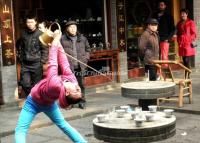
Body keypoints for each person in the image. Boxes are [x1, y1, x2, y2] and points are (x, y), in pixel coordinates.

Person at [15, 30, 87, 143]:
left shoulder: (54, 85)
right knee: (64, 125)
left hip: (33, 102)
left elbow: (53, 63)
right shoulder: (73, 82)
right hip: (47, 103)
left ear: (67, 92)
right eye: (79, 91)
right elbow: (64, 63)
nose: (78, 88)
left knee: (20, 129)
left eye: (76, 91)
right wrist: (57, 44)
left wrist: (55, 42)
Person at [16, 14, 48, 97]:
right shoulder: (23, 33)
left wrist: (42, 62)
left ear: (35, 23)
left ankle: (35, 101)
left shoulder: (41, 34)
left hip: (36, 63)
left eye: (31, 22)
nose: (29, 24)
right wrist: (20, 56)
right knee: (24, 83)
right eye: (28, 22)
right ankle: (32, 97)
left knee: (36, 85)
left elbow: (45, 49)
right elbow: (20, 45)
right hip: (25, 64)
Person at [61, 20, 91, 109]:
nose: (73, 29)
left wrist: (86, 59)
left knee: (81, 84)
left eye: (74, 27)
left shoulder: (82, 38)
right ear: (67, 29)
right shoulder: (62, 39)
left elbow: (88, 50)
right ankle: (70, 102)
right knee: (69, 86)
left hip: (80, 66)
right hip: (68, 67)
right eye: (71, 27)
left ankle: (82, 101)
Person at [176, 8, 197, 78]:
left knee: (186, 60)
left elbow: (194, 33)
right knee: (184, 60)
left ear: (187, 14)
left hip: (188, 43)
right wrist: (179, 40)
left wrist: (189, 39)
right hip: (181, 43)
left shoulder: (191, 22)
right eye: (181, 14)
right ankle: (186, 75)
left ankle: (188, 75)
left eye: (184, 14)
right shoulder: (179, 23)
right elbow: (178, 33)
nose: (182, 15)